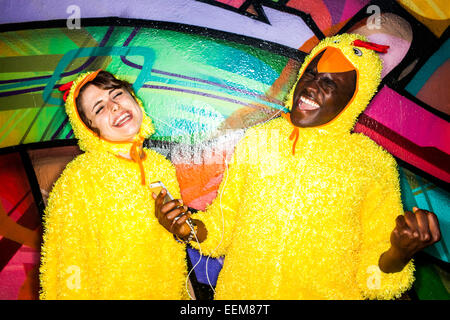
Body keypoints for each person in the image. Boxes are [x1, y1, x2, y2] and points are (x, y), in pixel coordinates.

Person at [155, 34, 441, 300]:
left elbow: (375, 280)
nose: (312, 86)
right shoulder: (259, 139)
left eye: (329, 84)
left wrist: (399, 252)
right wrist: (185, 227)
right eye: (311, 74)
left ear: (353, 99)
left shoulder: (372, 164)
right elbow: (221, 228)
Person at [40, 70, 191, 299]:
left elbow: (176, 255)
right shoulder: (78, 179)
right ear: (89, 130)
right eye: (99, 108)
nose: (114, 106)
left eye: (117, 94)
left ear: (133, 98)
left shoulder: (160, 167)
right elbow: (66, 267)